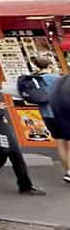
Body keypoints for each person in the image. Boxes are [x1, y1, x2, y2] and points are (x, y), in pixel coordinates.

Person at [29, 55, 70, 183]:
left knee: (59, 142)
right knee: (69, 144)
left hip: (46, 115)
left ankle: (68, 171)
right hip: (61, 113)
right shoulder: (56, 78)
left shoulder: (33, 79)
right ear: (50, 66)